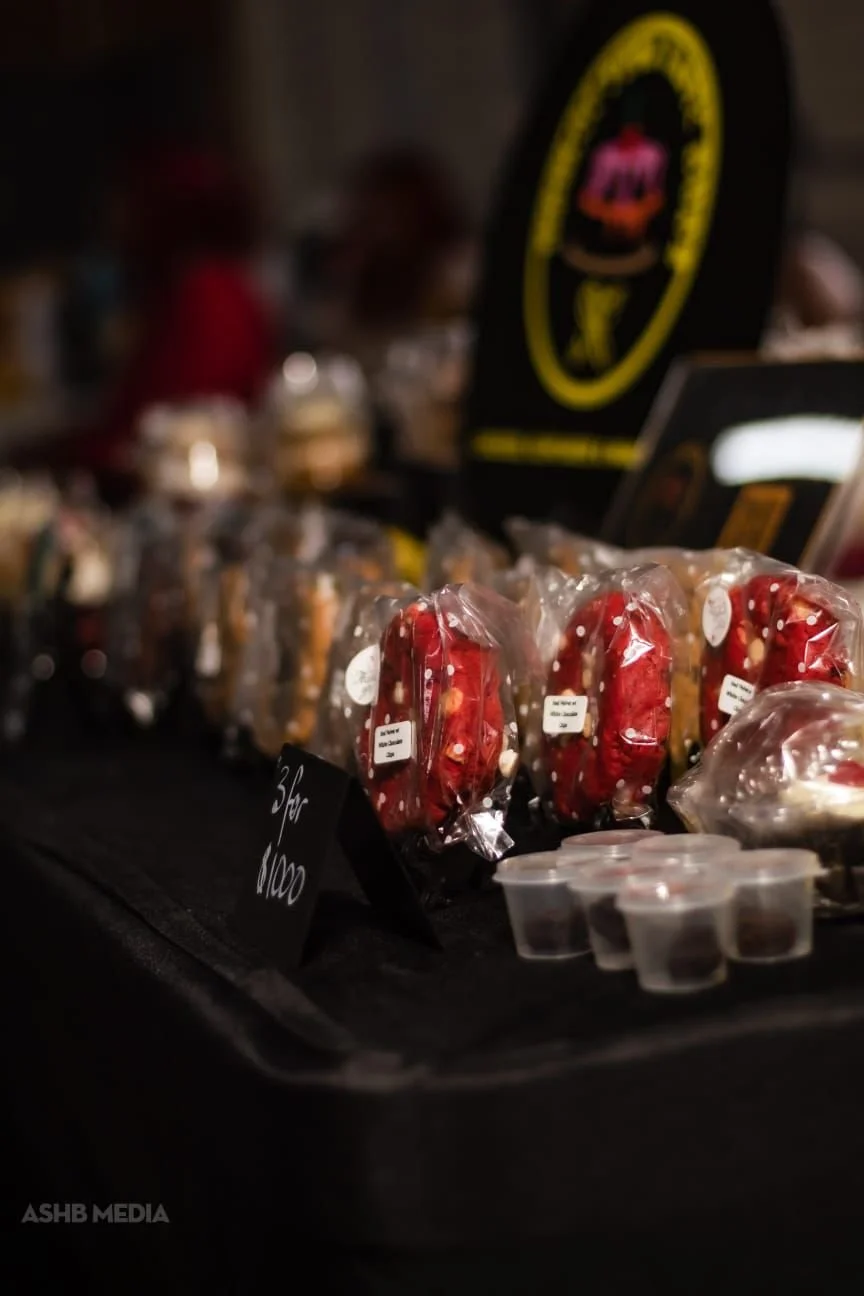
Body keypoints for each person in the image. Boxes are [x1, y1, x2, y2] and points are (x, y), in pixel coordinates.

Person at [36, 145, 277, 499]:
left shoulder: (209, 293)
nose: (115, 221)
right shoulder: (180, 289)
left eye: (127, 204)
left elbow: (187, 421)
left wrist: (71, 455)